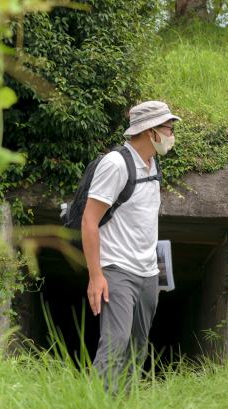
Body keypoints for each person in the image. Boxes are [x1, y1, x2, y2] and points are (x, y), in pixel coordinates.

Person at [81, 101, 181, 391]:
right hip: (116, 269)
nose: (171, 135)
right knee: (116, 343)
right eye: (168, 129)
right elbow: (89, 221)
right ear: (150, 131)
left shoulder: (153, 163)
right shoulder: (115, 164)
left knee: (137, 347)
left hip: (148, 273)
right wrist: (96, 275)